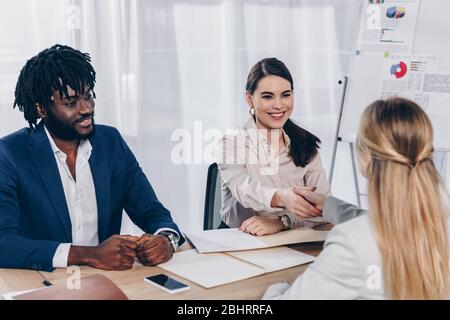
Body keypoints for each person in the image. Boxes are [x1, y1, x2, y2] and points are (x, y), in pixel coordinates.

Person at [0, 44, 184, 272]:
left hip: (106, 281)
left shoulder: (110, 142)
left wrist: (166, 239)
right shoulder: (9, 154)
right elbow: (3, 243)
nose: (86, 108)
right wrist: (89, 255)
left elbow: (151, 211)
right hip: (43, 284)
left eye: (88, 96)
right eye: (70, 103)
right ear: (41, 109)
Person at [263, 97, 450, 299]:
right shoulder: (440, 221)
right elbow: (384, 225)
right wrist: (328, 205)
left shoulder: (352, 244)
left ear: (366, 159)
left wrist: (279, 286)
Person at [217, 57, 330, 236]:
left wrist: (282, 221)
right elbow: (245, 191)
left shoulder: (307, 145)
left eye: (285, 95)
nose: (278, 105)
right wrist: (282, 197)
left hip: (292, 240)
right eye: (268, 96)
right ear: (249, 99)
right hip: (241, 239)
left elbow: (324, 208)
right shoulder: (230, 145)